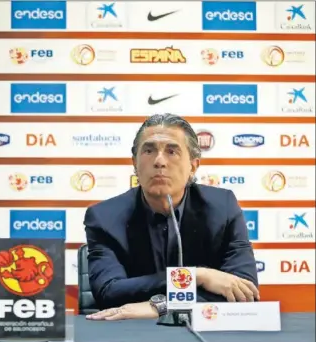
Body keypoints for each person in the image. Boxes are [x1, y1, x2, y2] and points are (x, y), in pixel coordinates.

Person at [84, 113, 259, 321]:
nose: (159, 161)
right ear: (134, 163)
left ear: (193, 166)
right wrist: (196, 277)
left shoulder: (222, 207)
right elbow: (108, 291)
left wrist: (161, 307)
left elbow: (243, 290)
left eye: (172, 151)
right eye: (149, 151)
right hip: (132, 334)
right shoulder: (104, 217)